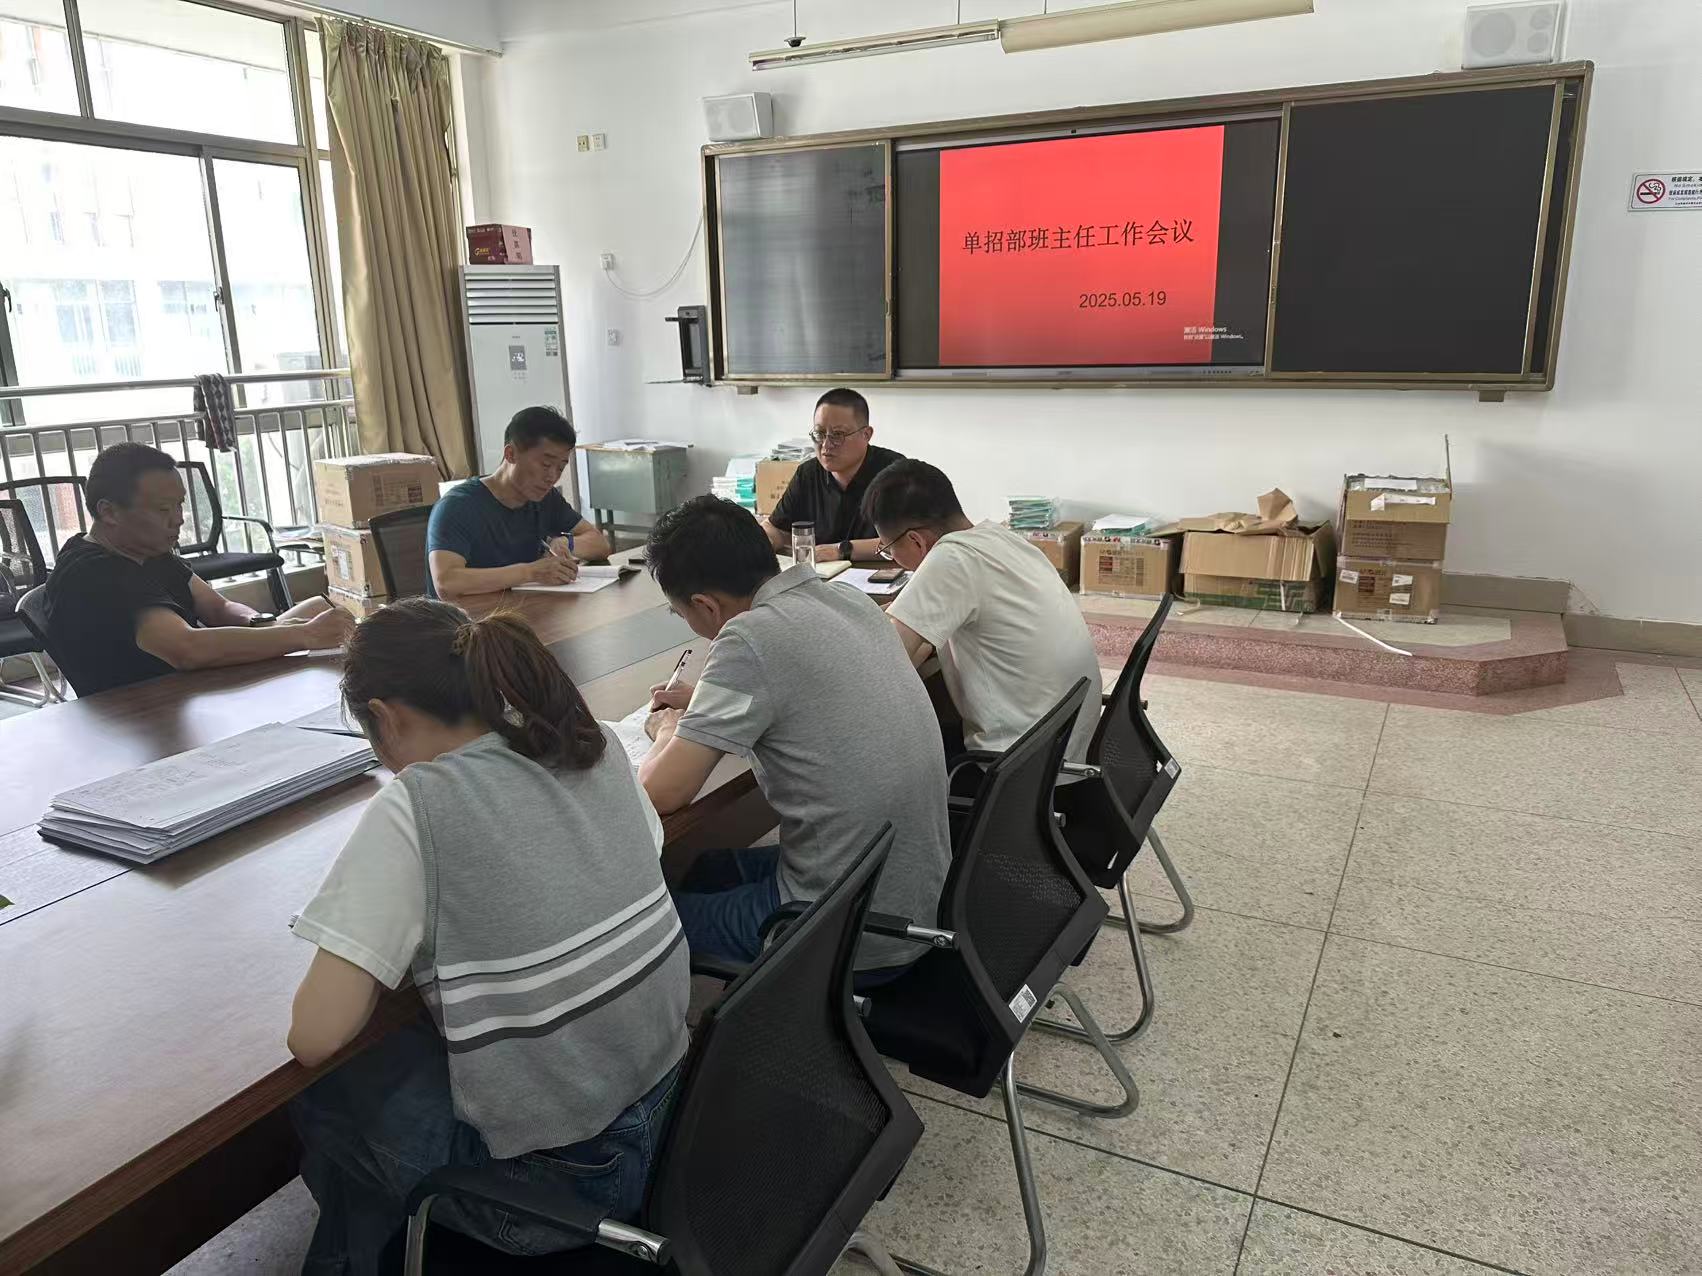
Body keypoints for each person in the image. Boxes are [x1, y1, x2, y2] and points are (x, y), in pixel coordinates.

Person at [287, 598, 688, 1274]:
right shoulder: (590, 744)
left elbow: (313, 1037)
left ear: (385, 716)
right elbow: (637, 852)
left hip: (552, 1193)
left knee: (329, 1090)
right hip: (673, 1122)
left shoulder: (418, 804)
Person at [638, 495, 949, 978]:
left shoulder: (748, 638)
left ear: (705, 605)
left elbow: (662, 792)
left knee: (644, 925)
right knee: (702, 868)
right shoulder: (847, 600)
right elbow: (804, 688)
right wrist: (704, 699)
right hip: (909, 898)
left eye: (683, 616)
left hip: (844, 929)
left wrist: (667, 730)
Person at [41, 442, 353, 697]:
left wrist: (262, 623)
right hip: (140, 709)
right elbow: (186, 648)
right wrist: (304, 634)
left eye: (180, 505)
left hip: (193, 692)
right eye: (163, 509)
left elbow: (219, 608)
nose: (178, 519)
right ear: (109, 512)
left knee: (319, 608)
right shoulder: (92, 571)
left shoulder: (148, 551)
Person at [865, 459, 1103, 763]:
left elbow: (882, 661)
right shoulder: (1001, 537)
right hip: (1065, 746)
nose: (892, 558)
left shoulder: (952, 559)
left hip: (1015, 766)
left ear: (916, 540)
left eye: (888, 550)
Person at [427, 405, 611, 600]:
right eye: (546, 464)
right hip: (467, 617)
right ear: (511, 454)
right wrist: (530, 572)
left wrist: (566, 542)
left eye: (560, 468)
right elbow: (446, 583)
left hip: (521, 609)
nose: (552, 477)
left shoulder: (545, 498)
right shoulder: (458, 506)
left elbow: (600, 544)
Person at [762, 387, 903, 564]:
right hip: (823, 575)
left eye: (838, 435)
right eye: (819, 434)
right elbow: (776, 528)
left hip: (876, 574)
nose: (826, 445)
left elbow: (902, 542)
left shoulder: (894, 473)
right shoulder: (807, 474)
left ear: (866, 435)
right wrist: (762, 543)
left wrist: (840, 550)